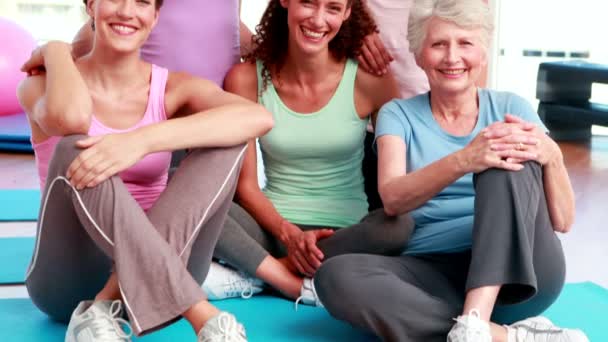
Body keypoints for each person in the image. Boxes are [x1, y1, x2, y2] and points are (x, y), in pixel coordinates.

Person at [313, 0, 589, 341]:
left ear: (483, 53)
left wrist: (553, 156)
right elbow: (394, 198)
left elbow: (562, 221)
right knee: (334, 276)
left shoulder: (510, 109)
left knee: (503, 161)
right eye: (438, 44)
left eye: (465, 43)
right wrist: (466, 159)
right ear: (417, 54)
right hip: (435, 270)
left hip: (523, 274)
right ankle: (500, 335)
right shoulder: (398, 115)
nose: (452, 57)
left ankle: (475, 319)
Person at [17, 0, 273, 341]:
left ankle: (104, 305)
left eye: (142, 2)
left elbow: (258, 118)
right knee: (72, 147)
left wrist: (141, 141)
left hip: (167, 270)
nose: (126, 11)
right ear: (90, 5)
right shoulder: (46, 85)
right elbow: (72, 119)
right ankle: (202, 315)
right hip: (68, 283)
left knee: (229, 138)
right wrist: (56, 50)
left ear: (155, 15)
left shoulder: (171, 88)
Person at [202, 0, 412, 306]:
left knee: (400, 226)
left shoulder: (372, 82)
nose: (318, 19)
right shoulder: (246, 79)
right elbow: (245, 187)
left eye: (332, 8)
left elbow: (396, 180)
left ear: (347, 13)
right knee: (198, 198)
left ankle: (259, 271)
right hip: (272, 230)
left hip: (345, 234)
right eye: (308, 3)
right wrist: (289, 234)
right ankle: (292, 279)